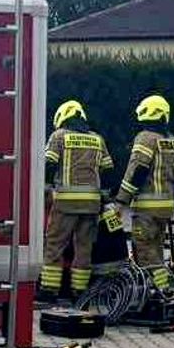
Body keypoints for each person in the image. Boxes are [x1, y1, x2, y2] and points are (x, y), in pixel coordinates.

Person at [115, 95, 174, 294]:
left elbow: (137, 170)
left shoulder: (145, 138)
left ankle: (161, 289)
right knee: (156, 249)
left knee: (144, 250)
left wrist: (120, 201)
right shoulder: (172, 141)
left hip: (146, 207)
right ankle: (156, 289)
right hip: (165, 206)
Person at [41, 100, 112, 304]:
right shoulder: (97, 139)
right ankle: (79, 292)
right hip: (91, 203)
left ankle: (49, 290)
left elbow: (50, 163)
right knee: (84, 248)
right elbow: (108, 169)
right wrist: (104, 195)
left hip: (65, 201)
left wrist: (45, 188)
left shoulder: (59, 136)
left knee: (55, 244)